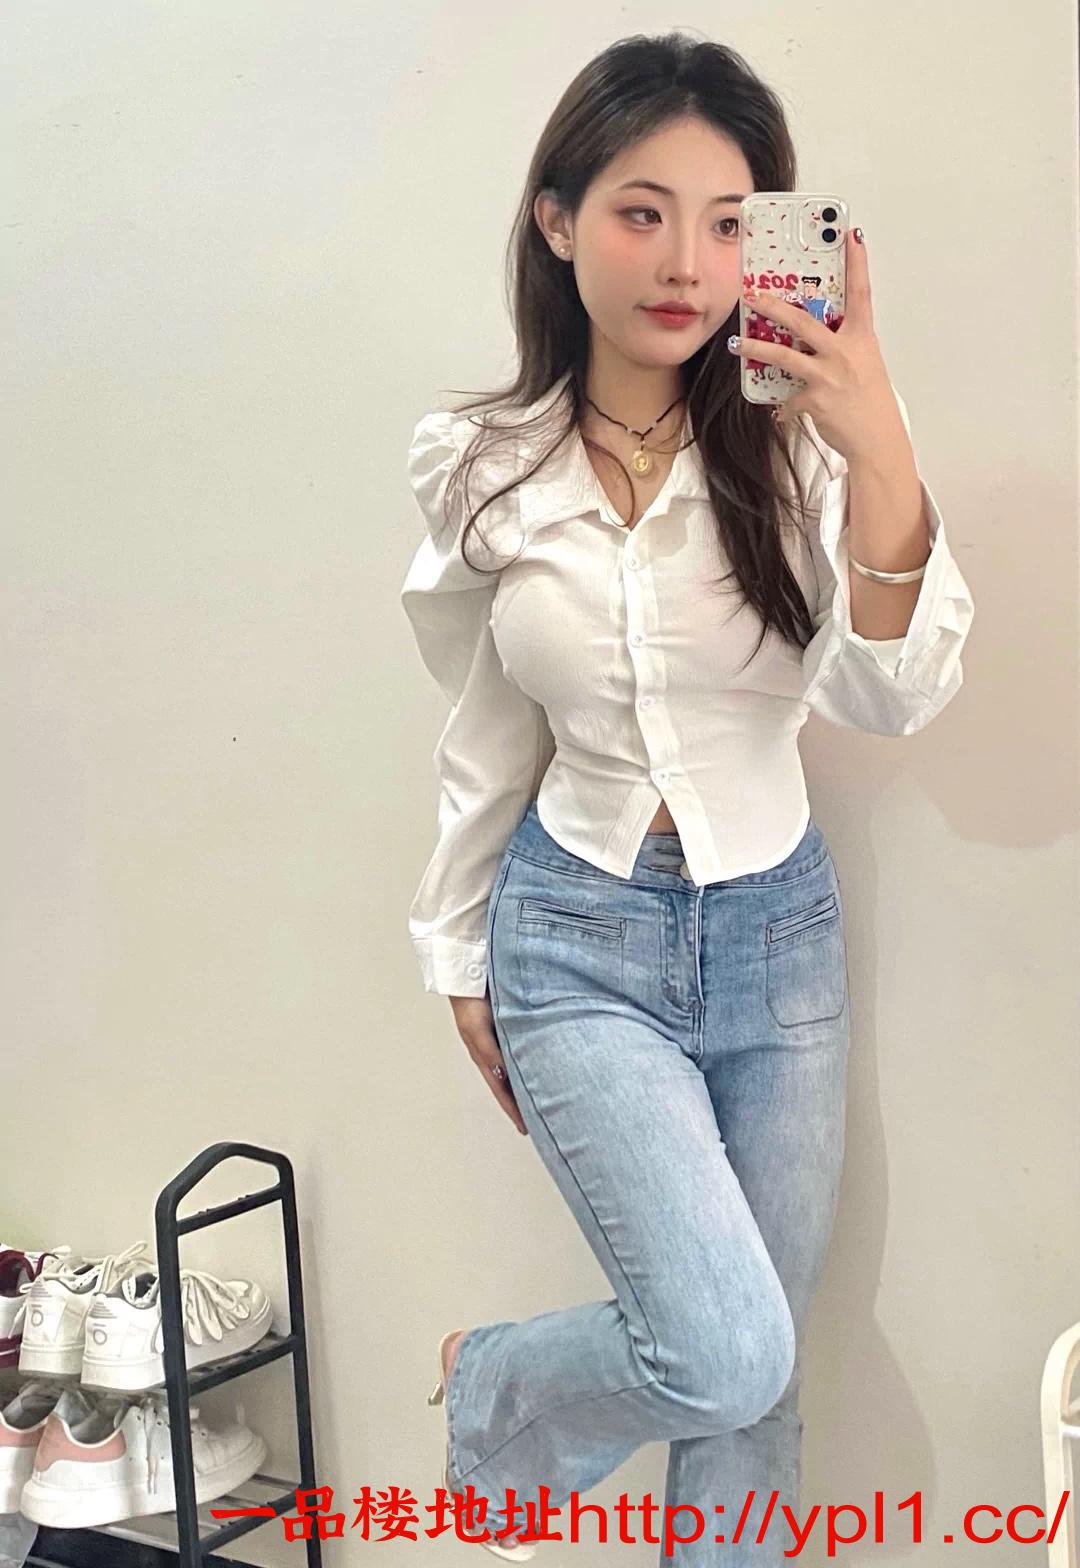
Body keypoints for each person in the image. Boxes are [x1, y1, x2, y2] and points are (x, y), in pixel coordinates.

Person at [401, 32, 974, 1566]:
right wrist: (455, 953)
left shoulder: (801, 450)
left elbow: (891, 697)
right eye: (641, 212)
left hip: (777, 944)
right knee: (725, 1346)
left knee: (751, 1396)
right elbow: (486, 731)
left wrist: (879, 437)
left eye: (729, 223)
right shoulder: (483, 466)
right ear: (558, 220)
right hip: (573, 936)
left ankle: (514, 1394)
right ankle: (496, 1386)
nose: (686, 263)